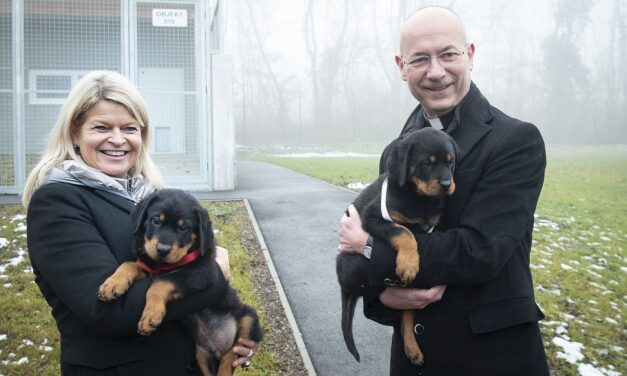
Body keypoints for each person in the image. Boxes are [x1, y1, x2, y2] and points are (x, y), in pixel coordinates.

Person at [338, 6, 550, 375]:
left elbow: (481, 251)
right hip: (413, 360)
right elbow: (382, 243)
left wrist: (367, 247)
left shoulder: (516, 140)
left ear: (469, 55)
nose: (436, 72)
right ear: (401, 67)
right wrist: (383, 296)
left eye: (448, 54)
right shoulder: (397, 151)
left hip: (491, 358)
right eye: (420, 59)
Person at [23, 70, 258, 375]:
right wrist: (213, 272)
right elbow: (108, 312)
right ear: (75, 133)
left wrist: (227, 343)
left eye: (129, 128)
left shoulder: (147, 195)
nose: (118, 139)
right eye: (101, 127)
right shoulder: (57, 201)